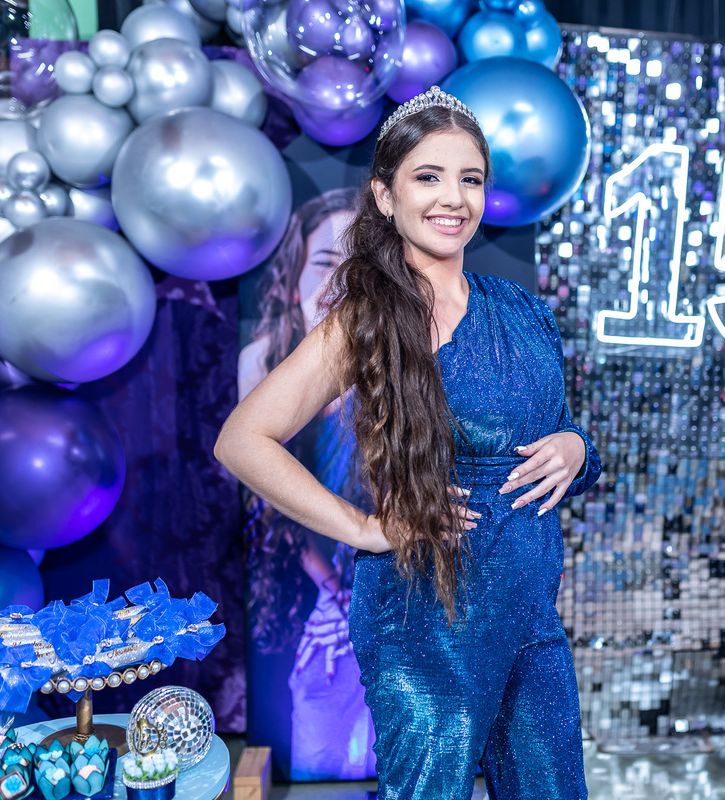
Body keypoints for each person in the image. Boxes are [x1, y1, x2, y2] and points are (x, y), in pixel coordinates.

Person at [215, 86, 601, 799]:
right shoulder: (366, 320)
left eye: (470, 178)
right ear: (386, 197)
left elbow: (558, 428)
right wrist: (365, 528)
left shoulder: (523, 309)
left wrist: (575, 449)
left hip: (531, 612)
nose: (453, 197)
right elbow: (243, 441)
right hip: (425, 619)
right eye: (429, 176)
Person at [238, 186, 377, 779]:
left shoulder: (386, 359)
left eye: (355, 267)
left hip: (373, 568)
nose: (338, 283)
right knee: (316, 717)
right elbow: (262, 491)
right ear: (293, 278)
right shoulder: (263, 358)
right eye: (323, 263)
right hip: (291, 571)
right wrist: (328, 587)